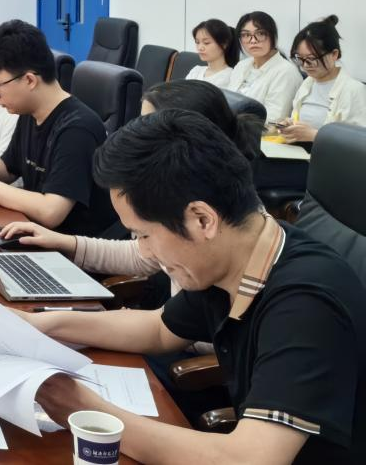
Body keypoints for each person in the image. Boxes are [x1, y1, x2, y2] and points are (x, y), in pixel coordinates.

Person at [29, 110, 366, 464]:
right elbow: (159, 329)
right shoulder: (233, 255)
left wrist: (83, 409)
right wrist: (40, 324)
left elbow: (248, 460)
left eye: (144, 235)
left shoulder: (306, 306)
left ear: (203, 219)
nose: (144, 251)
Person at [0, 79, 261, 290]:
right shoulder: (181, 197)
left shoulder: (223, 232)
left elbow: (173, 328)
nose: (138, 133)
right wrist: (63, 243)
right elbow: (143, 257)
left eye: (150, 125)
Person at [0, 19, 114, 236]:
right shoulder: (29, 111)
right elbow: (8, 169)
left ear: (29, 80)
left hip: (68, 246)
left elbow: (51, 211)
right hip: (32, 231)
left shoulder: (77, 128)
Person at [276, 16, 366, 143]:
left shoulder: (354, 90)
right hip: (299, 149)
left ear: (334, 54)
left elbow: (359, 142)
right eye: (300, 58)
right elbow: (302, 121)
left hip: (328, 154)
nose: (305, 65)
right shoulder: (308, 83)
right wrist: (290, 124)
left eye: (312, 59)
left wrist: (314, 135)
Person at [228, 11, 302, 121]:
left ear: (273, 36)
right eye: (246, 35)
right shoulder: (241, 65)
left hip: (259, 131)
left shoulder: (286, 72)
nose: (253, 41)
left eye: (260, 34)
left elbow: (274, 119)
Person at [186, 18, 238, 88]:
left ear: (224, 44)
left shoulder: (231, 76)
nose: (200, 48)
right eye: (197, 42)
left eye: (206, 43)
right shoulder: (196, 71)